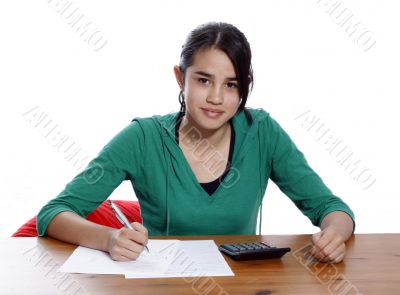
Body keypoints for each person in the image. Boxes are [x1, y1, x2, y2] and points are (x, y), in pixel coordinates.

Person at [37, 22, 355, 263]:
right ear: (180, 78)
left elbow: (332, 209)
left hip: (240, 285)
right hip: (163, 284)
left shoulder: (263, 132)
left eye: (231, 85)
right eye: (203, 80)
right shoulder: (142, 138)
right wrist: (109, 239)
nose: (216, 98)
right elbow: (53, 214)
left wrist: (334, 235)